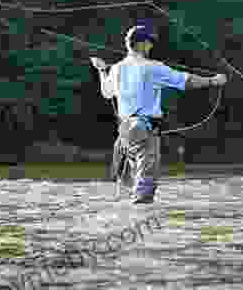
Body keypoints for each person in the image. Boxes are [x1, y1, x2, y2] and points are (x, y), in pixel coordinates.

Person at [91, 24, 227, 203]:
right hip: (144, 131)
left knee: (126, 190)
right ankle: (141, 220)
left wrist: (102, 70)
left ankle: (126, 219)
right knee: (144, 191)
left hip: (124, 134)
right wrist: (213, 81)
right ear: (140, 44)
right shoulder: (152, 67)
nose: (151, 46)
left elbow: (107, 93)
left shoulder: (116, 68)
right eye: (149, 42)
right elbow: (185, 81)